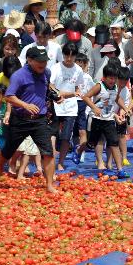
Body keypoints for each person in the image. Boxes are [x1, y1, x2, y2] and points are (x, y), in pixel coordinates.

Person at [0, 46, 59, 192]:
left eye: (45, 61)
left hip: (39, 120)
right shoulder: (19, 75)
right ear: (29, 60)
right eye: (39, 61)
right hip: (20, 119)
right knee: (9, 149)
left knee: (48, 152)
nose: (43, 64)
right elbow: (9, 96)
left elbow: (49, 88)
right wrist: (25, 105)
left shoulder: (46, 73)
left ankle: (49, 185)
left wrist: (56, 96)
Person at [81, 60, 127, 176]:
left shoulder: (116, 87)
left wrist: (125, 108)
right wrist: (94, 108)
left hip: (109, 119)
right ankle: (79, 149)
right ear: (104, 78)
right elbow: (85, 97)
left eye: (114, 78)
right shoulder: (99, 86)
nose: (112, 81)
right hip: (95, 119)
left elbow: (117, 99)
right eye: (110, 78)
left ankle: (120, 169)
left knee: (114, 142)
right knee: (92, 143)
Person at [50, 43, 84, 171]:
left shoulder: (78, 70)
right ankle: (51, 158)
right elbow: (51, 84)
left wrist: (75, 93)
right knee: (53, 133)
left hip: (70, 107)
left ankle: (61, 162)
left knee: (66, 135)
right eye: (66, 55)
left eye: (71, 56)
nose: (69, 59)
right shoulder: (56, 67)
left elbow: (77, 86)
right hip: (56, 104)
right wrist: (58, 95)